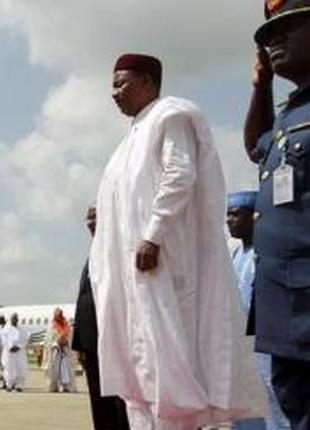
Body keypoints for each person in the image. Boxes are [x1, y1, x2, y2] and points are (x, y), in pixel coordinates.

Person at [90, 53, 266, 428]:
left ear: (148, 84)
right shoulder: (131, 138)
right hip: (134, 277)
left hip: (164, 266)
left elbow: (179, 173)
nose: (113, 93)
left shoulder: (170, 116)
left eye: (121, 83)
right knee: (140, 373)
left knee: (170, 367)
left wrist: (153, 235)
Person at [246, 2, 310, 428]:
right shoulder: (289, 114)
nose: (273, 41)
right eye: (268, 35)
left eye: (287, 28)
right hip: (286, 308)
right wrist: (261, 86)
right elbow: (256, 147)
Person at [227, 191, 290, 430]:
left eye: (235, 214)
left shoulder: (265, 253)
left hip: (265, 342)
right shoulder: (235, 254)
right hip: (242, 344)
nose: (229, 221)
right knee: (245, 401)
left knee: (271, 397)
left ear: (254, 217)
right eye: (227, 215)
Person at [72, 205, 129, 430]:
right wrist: (79, 343)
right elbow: (83, 300)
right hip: (91, 343)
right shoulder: (93, 253)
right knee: (98, 399)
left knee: (118, 400)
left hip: (113, 340)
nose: (90, 223)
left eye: (95, 217)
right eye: (88, 219)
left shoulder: (118, 250)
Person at [46, 307, 77, 393]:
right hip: (55, 351)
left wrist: (66, 343)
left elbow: (70, 337)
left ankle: (66, 386)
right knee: (56, 370)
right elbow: (49, 339)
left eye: (60, 315)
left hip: (66, 351)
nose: (58, 317)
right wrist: (56, 344)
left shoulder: (66, 325)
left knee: (66, 369)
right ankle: (56, 386)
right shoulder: (52, 325)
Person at [0, 313, 28, 392]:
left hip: (19, 352)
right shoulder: (6, 329)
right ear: (11, 319)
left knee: (20, 368)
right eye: (13, 318)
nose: (15, 320)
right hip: (9, 353)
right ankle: (9, 385)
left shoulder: (22, 330)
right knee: (9, 368)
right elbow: (3, 340)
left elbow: (25, 340)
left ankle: (19, 385)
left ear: (17, 320)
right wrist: (10, 347)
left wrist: (19, 346)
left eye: (16, 319)